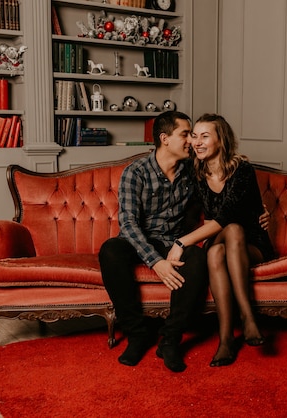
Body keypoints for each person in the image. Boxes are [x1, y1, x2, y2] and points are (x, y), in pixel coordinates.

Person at [98, 111, 208, 373]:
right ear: (164, 138)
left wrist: (257, 210)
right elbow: (129, 224)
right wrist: (156, 262)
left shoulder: (192, 173)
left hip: (173, 242)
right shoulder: (135, 172)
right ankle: (137, 334)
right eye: (185, 134)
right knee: (110, 250)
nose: (191, 141)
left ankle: (170, 339)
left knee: (198, 258)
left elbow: (222, 199)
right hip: (137, 243)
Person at [167, 113, 275, 367]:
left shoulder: (243, 171)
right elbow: (196, 219)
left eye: (205, 136)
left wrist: (182, 243)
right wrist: (179, 239)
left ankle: (227, 338)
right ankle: (245, 321)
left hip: (252, 244)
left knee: (231, 234)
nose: (197, 142)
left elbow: (225, 218)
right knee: (224, 239)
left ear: (221, 140)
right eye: (195, 136)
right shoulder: (195, 173)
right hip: (218, 237)